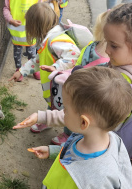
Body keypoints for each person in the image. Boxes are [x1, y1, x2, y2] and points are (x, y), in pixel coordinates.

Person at [13, 3, 132, 159]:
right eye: (107, 43)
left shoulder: (118, 84)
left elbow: (84, 119)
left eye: (114, 45)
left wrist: (44, 118)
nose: (107, 50)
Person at [16, 66, 132, 189]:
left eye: (65, 109)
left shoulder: (97, 180)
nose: (62, 112)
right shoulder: (95, 137)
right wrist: (53, 151)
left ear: (84, 122)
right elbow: (74, 155)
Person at [9, 2, 80, 134]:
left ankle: (68, 134)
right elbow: (38, 59)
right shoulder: (46, 40)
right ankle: (47, 120)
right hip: (54, 85)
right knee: (53, 104)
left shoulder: (56, 40)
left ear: (35, 27)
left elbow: (74, 55)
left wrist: (56, 67)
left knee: (68, 110)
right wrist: (21, 71)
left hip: (64, 85)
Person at [51, 10, 110, 145]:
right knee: (70, 110)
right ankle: (67, 133)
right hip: (75, 86)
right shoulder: (92, 45)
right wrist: (64, 73)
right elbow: (78, 64)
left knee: (81, 115)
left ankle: (75, 138)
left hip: (89, 94)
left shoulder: (109, 59)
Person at [3, 0, 38, 82]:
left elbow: (40, 7)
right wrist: (10, 20)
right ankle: (19, 69)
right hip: (17, 31)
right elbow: (6, 8)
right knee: (17, 52)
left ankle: (33, 68)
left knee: (32, 52)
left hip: (31, 30)